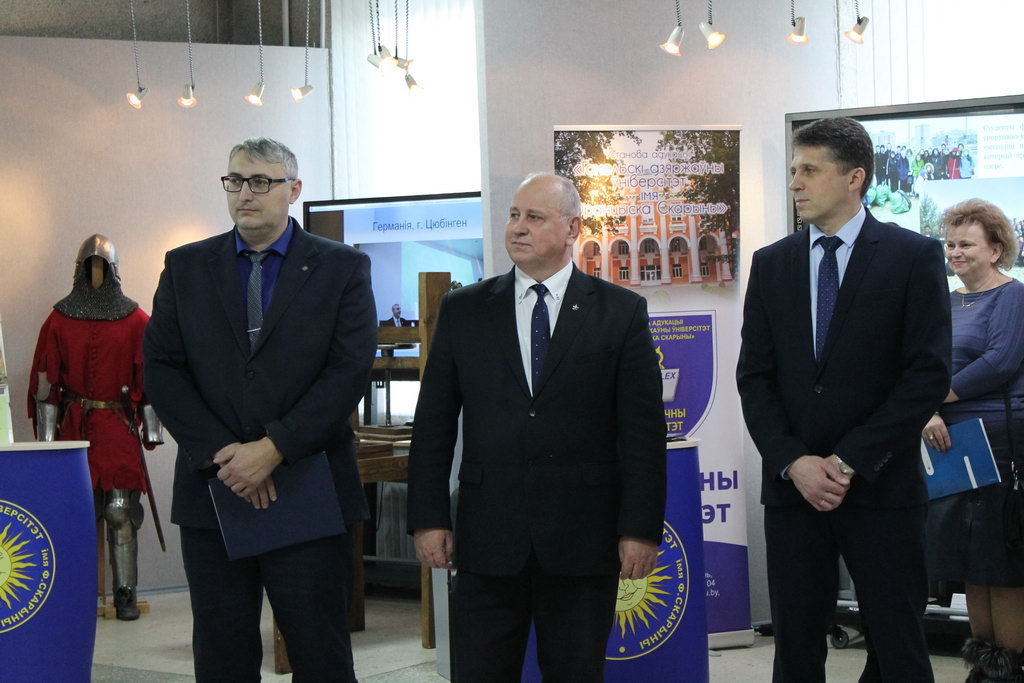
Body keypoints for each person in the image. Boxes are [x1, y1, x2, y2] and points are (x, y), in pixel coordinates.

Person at [407, 172, 666, 681]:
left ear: (573, 228)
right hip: (486, 537)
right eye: (513, 215)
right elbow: (433, 423)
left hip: (582, 537)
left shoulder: (620, 312)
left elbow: (642, 434)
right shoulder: (464, 310)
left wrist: (639, 529)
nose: (518, 228)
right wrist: (428, 517)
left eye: (534, 217)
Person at [143, 138, 377, 682]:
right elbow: (162, 368)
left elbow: (348, 371)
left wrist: (273, 449)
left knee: (321, 655)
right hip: (215, 488)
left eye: (261, 182)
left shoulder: (342, 267)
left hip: (308, 486)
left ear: (294, 190)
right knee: (221, 656)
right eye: (235, 181)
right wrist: (227, 454)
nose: (245, 193)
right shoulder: (185, 266)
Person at [736, 116, 951, 682]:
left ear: (855, 178)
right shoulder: (772, 263)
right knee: (796, 652)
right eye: (793, 170)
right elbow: (754, 377)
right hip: (794, 492)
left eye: (809, 170)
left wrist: (847, 460)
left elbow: (926, 376)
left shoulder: (913, 256)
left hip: (881, 488)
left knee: (898, 649)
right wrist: (794, 461)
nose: (795, 183)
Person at [28, 234, 161, 621]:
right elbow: (46, 383)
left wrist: (152, 430)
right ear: (79, 270)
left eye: (100, 265)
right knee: (77, 513)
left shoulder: (136, 320)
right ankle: (76, 592)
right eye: (90, 266)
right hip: (74, 428)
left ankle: (125, 592)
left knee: (121, 511)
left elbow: (150, 379)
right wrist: (48, 445)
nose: (95, 272)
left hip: (117, 427)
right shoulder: (59, 319)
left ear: (114, 271)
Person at [921, 198, 1024, 681]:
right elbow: (922, 364)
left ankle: (1011, 667)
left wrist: (935, 397)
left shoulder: (1012, 296)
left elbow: (1000, 361)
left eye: (966, 244)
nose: (955, 253)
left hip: (1000, 447)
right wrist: (927, 411)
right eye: (950, 244)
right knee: (970, 564)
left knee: (1002, 565)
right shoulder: (945, 301)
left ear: (996, 250)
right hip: (950, 449)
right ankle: (984, 665)